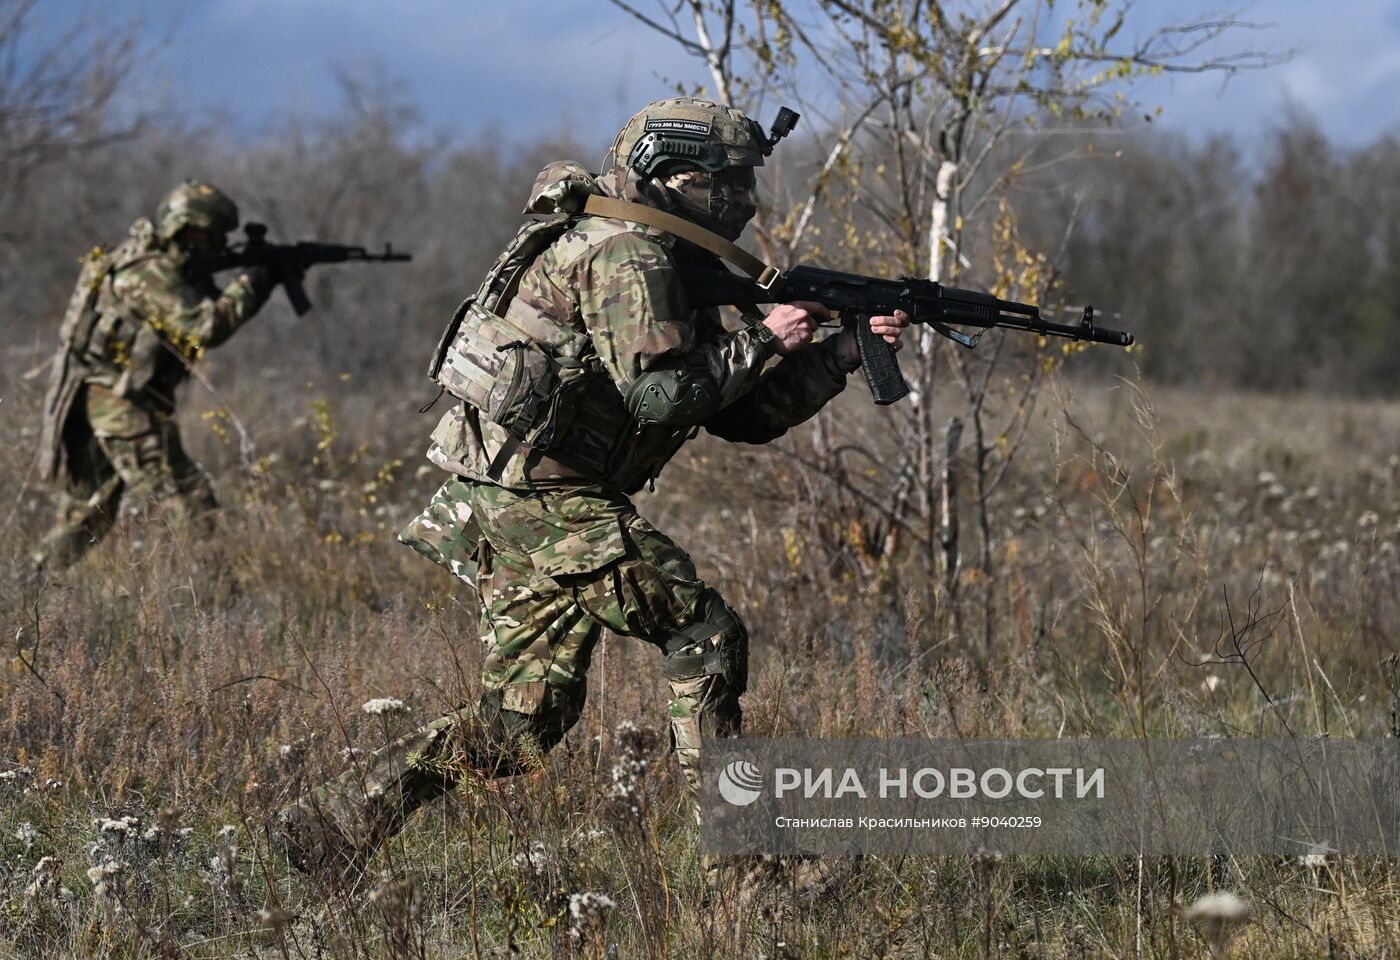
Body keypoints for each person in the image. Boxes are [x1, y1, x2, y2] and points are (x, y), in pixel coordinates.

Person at [273, 98, 909, 875]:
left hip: (514, 492)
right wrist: (764, 336)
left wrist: (835, 354)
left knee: (520, 726)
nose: (745, 200)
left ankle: (329, 824)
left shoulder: (668, 257)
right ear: (673, 176)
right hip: (543, 495)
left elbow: (739, 418)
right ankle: (750, 873)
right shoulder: (627, 254)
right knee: (702, 633)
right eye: (730, 182)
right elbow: (664, 398)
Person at [32, 180, 275, 571]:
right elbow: (207, 326)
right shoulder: (147, 270)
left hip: (108, 398)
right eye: (207, 233)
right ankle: (216, 600)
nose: (214, 242)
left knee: (91, 510)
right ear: (183, 227)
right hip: (118, 401)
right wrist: (252, 283)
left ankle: (32, 586)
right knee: (188, 501)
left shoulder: (160, 264)